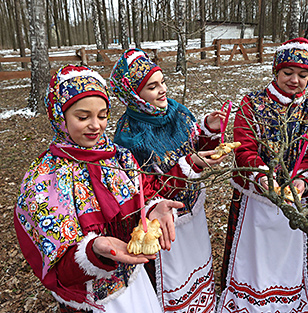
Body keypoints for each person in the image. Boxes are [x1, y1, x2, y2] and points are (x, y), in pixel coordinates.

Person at [14, 65, 183, 312]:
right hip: (89, 301)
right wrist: (93, 251)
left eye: (102, 116)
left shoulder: (119, 158)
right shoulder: (44, 180)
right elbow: (60, 267)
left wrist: (153, 208)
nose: (96, 125)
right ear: (59, 117)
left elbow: (143, 193)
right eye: (83, 117)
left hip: (135, 285)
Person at [110, 49, 227, 312]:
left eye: (162, 82)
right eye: (152, 86)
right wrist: (187, 166)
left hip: (193, 213)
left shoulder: (177, 112)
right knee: (174, 281)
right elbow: (141, 190)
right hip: (164, 225)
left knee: (197, 270)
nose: (162, 90)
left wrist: (209, 129)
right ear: (133, 94)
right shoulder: (129, 136)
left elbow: (195, 147)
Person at [217, 38, 308, 313]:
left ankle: (286, 300)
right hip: (254, 195)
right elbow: (244, 148)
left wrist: (303, 181)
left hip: (294, 197)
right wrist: (262, 176)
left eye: (303, 75)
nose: (294, 80)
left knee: (286, 251)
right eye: (288, 72)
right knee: (252, 253)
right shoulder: (252, 104)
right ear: (276, 71)